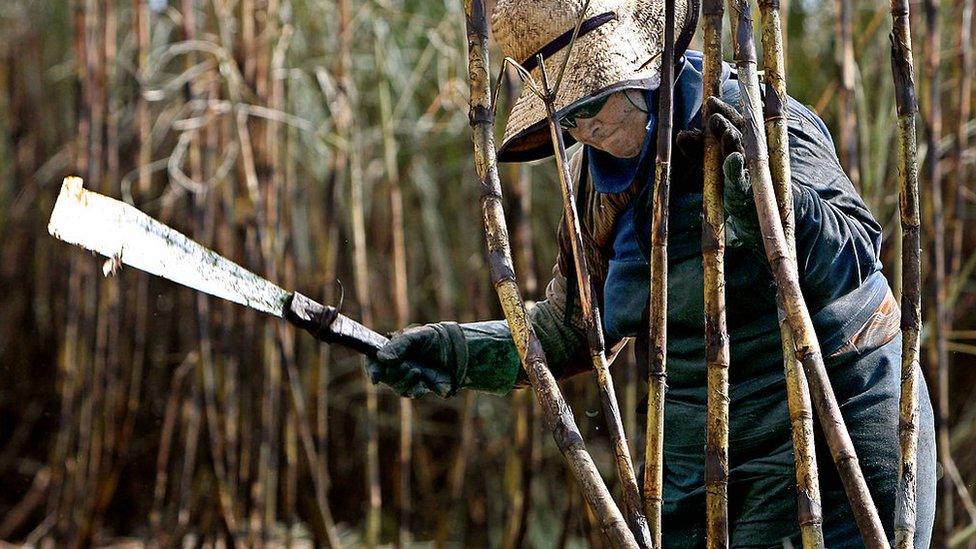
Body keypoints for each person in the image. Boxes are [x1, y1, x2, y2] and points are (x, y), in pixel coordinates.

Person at [365, 0, 937, 546]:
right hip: (699, 447)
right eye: (564, 117)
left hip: (829, 428)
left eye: (590, 104)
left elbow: (856, 254)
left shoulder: (756, 116)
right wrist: (457, 352)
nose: (581, 130)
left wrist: (769, 200)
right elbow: (573, 330)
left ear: (638, 70)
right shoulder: (592, 186)